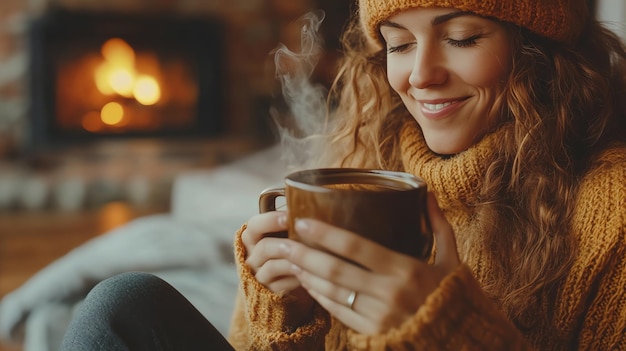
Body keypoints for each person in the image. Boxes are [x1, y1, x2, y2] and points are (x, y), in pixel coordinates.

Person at [60, 0, 626, 349]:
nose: (420, 75)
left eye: (462, 38)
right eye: (398, 45)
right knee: (122, 304)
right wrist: (285, 312)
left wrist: (447, 331)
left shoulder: (611, 209)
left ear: (537, 49)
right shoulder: (366, 163)